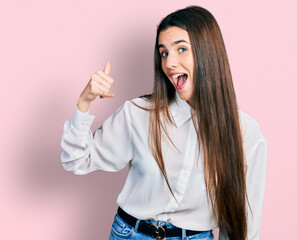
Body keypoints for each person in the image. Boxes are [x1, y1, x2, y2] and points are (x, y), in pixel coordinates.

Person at [60, 5, 267, 240]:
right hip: (130, 234)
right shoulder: (139, 114)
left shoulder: (245, 133)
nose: (169, 63)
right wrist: (84, 103)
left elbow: (244, 226)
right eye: (164, 53)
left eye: (181, 49)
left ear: (208, 52)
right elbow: (76, 160)